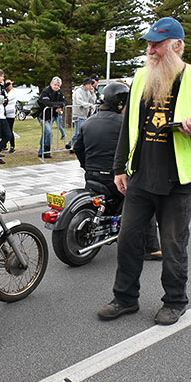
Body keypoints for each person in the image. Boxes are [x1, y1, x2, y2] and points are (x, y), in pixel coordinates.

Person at [97, 17, 191, 326]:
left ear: (177, 45)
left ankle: (175, 301)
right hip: (140, 175)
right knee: (127, 240)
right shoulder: (141, 77)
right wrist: (119, 168)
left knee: (174, 245)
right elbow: (129, 126)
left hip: (177, 180)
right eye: (149, 43)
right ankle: (125, 298)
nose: (151, 49)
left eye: (157, 44)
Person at [73, 82, 162, 261]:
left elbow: (77, 147)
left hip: (92, 178)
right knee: (146, 204)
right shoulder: (125, 123)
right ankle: (151, 248)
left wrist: (87, 167)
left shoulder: (88, 122)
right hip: (116, 179)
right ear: (120, 103)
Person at [36, 76, 66, 158]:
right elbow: (47, 103)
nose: (56, 87)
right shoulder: (45, 91)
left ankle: (42, 151)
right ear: (51, 84)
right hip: (42, 116)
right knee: (49, 132)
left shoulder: (59, 92)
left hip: (52, 116)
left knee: (45, 133)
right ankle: (46, 150)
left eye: (58, 85)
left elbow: (64, 101)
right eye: (55, 84)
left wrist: (60, 106)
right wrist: (58, 105)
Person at [67, 77, 96, 150]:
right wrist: (89, 105)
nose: (91, 86)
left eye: (91, 84)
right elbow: (79, 102)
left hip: (84, 115)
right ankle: (73, 146)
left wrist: (93, 93)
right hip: (78, 114)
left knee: (80, 132)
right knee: (78, 133)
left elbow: (92, 101)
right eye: (89, 84)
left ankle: (70, 144)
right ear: (85, 84)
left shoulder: (88, 92)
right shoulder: (78, 91)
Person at [3, 79, 17, 153]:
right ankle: (4, 145)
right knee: (3, 130)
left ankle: (12, 146)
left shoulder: (13, 93)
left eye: (10, 84)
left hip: (10, 113)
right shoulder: (4, 91)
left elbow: (6, 100)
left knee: (10, 130)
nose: (9, 85)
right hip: (4, 113)